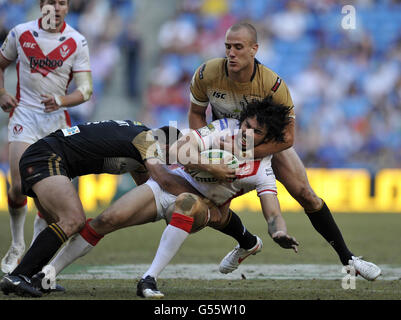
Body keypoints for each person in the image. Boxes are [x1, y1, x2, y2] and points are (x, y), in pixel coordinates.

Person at [21, 98, 298, 299]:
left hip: (199, 206)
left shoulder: (262, 170)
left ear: (268, 139)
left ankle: (149, 278)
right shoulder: (224, 126)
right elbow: (180, 148)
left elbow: (273, 213)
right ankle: (47, 275)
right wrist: (209, 165)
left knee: (186, 204)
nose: (245, 132)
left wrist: (279, 232)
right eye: (246, 124)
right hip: (167, 185)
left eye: (255, 131)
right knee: (107, 219)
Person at [187, 21, 381, 280]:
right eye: (227, 47)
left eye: (238, 47)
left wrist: (245, 153)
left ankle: (349, 259)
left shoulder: (272, 85)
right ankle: (247, 242)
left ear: (254, 49)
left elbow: (288, 137)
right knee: (215, 212)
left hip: (265, 145)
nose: (231, 53)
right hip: (223, 142)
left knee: (306, 195)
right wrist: (204, 151)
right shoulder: (206, 74)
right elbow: (196, 114)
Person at [0, 119, 208, 298]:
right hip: (47, 157)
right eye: (174, 153)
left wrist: (177, 214)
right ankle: (18, 276)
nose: (172, 160)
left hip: (48, 155)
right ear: (166, 144)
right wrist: (202, 199)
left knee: (60, 223)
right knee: (72, 220)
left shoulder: (140, 139)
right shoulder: (148, 139)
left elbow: (150, 192)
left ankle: (36, 278)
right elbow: (162, 180)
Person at [0, 0, 93, 274]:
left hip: (56, 123)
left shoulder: (77, 41)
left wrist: (62, 99)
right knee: (19, 185)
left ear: (67, 8)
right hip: (24, 116)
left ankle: (33, 262)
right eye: (51, 2)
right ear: (42, 6)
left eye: (61, 2)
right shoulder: (20, 33)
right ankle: (17, 244)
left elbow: (86, 90)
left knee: (48, 204)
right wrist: (3, 94)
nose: (56, 7)